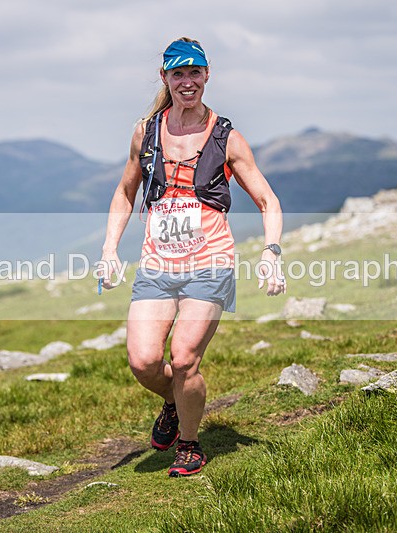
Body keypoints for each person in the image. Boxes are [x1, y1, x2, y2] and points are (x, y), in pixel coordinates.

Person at [99, 37, 285, 477]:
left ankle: (189, 443)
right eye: (178, 73)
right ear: (165, 77)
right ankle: (174, 400)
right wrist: (109, 249)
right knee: (144, 362)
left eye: (195, 73)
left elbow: (268, 200)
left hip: (210, 262)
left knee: (183, 358)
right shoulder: (146, 132)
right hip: (158, 264)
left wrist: (272, 252)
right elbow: (125, 192)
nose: (187, 82)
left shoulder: (227, 137)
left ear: (207, 75)